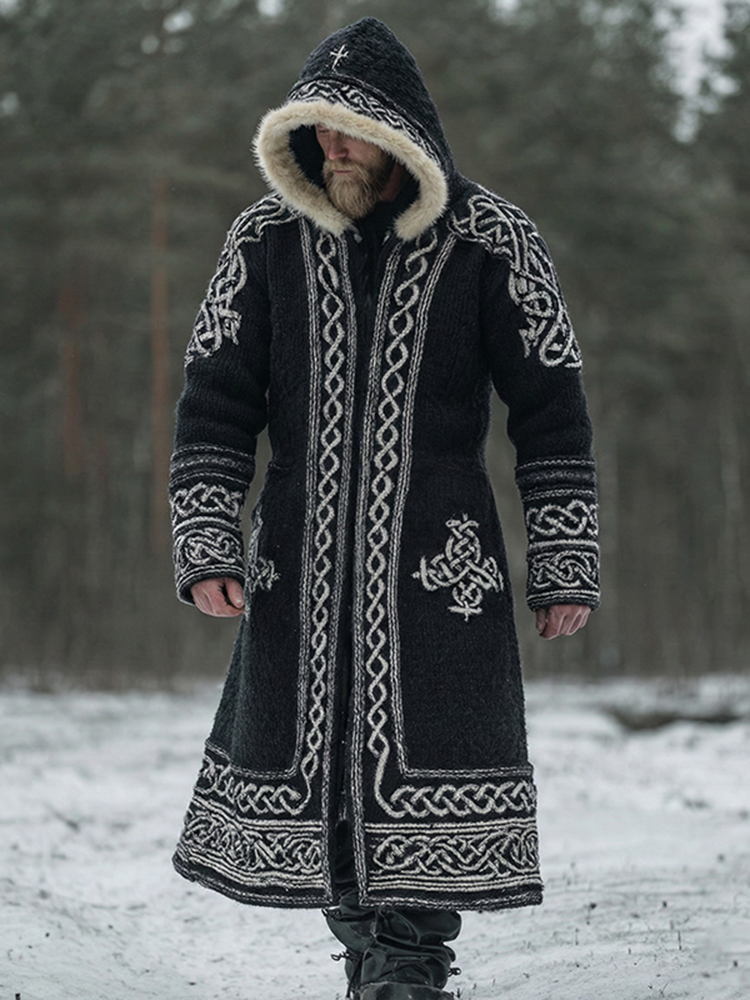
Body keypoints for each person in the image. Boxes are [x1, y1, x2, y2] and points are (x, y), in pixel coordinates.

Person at [168, 17, 599, 1000]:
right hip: (297, 563)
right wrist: (205, 539)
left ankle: (407, 963)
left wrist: (564, 560)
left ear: (403, 135)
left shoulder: (495, 241)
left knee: (429, 763)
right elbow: (214, 401)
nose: (333, 147)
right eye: (317, 130)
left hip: (442, 570)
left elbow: (552, 413)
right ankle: (376, 957)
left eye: (352, 131)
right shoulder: (263, 240)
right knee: (317, 770)